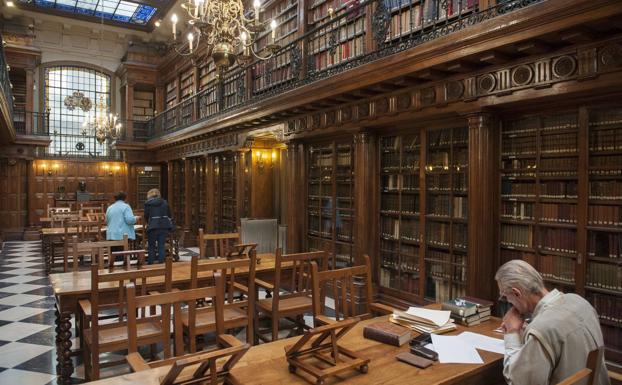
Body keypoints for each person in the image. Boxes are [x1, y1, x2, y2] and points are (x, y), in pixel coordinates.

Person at [495, 260, 610, 385]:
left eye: (505, 296)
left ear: (516, 293)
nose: (508, 302)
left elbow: (519, 381)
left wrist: (512, 333)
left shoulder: (541, 329)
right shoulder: (579, 301)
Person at [144, 188, 172, 264]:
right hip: (164, 226)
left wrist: (148, 222)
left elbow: (146, 216)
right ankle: (161, 263)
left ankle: (151, 263)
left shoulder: (148, 204)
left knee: (151, 246)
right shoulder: (165, 203)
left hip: (153, 226)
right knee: (161, 245)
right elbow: (169, 214)